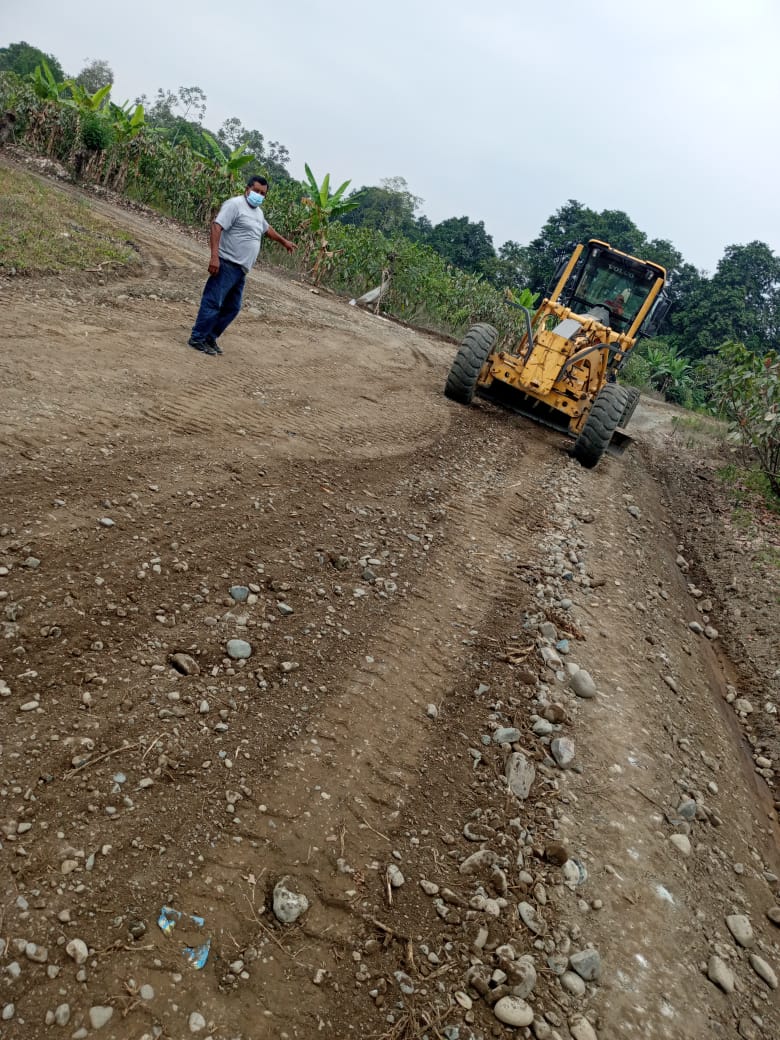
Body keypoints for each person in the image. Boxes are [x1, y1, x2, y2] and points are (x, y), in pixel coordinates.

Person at [188, 174, 295, 356]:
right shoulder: (235, 205)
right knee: (213, 302)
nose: (259, 195)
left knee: (232, 307)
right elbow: (216, 226)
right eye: (256, 191)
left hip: (241, 270)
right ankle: (198, 337)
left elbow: (267, 229)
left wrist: (284, 241)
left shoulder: (258, 213)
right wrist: (214, 257)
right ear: (247, 189)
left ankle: (210, 337)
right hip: (227, 263)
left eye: (262, 193)